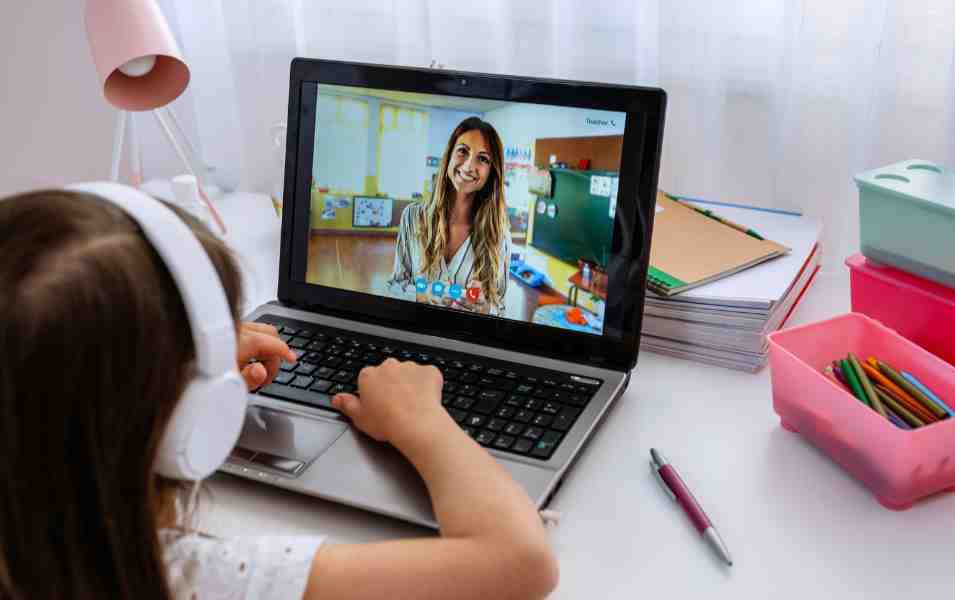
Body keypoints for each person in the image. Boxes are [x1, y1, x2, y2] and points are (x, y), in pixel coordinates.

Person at [0, 189, 558, 600]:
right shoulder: (189, 579)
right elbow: (520, 563)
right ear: (188, 424)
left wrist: (183, 356)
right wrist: (426, 422)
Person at [389, 117, 512, 316]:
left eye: (483, 158)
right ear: (449, 157)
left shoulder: (499, 235)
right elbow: (394, 286)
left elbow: (501, 308)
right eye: (463, 151)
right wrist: (420, 296)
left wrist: (485, 308)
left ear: (491, 172)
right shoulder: (411, 216)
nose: (469, 166)